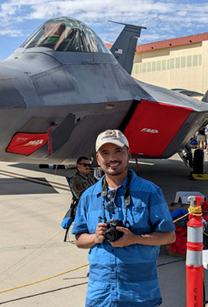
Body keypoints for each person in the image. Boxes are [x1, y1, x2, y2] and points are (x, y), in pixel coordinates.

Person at [72, 129, 175, 306]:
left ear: (128, 153)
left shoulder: (150, 192)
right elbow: (79, 240)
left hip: (139, 294)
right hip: (101, 295)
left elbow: (169, 236)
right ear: (98, 159)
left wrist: (134, 238)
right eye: (105, 153)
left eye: (118, 151)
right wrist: (95, 238)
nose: (112, 158)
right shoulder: (88, 196)